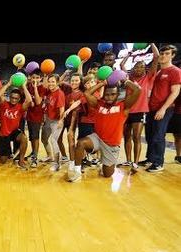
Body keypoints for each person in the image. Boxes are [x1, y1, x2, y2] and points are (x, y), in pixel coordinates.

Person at [68, 78, 141, 182]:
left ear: (117, 94)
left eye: (113, 94)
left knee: (107, 174)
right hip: (97, 138)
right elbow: (87, 93)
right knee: (80, 143)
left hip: (111, 145)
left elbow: (137, 90)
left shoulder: (123, 106)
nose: (109, 97)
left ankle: (105, 163)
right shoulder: (99, 104)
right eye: (107, 94)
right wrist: (102, 83)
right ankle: (77, 172)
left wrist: (126, 81)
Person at [118, 43, 159, 172]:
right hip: (127, 110)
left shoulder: (148, 77)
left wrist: (152, 43)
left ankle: (135, 162)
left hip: (140, 111)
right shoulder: (129, 77)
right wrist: (129, 54)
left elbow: (156, 56)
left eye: (141, 67)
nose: (138, 68)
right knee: (127, 136)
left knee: (136, 136)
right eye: (136, 66)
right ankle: (128, 160)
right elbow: (121, 65)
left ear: (145, 69)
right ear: (133, 68)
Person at [141, 44, 181, 172]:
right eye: (162, 54)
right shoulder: (159, 72)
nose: (163, 56)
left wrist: (163, 109)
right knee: (150, 135)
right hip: (152, 108)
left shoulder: (175, 71)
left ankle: (158, 163)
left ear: (173, 56)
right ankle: (151, 158)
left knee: (158, 135)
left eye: (167, 54)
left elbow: (175, 92)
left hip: (164, 108)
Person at [0, 76, 33, 169]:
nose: (13, 100)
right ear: (10, 97)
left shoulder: (20, 107)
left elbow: (29, 100)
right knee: (3, 161)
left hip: (14, 132)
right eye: (12, 97)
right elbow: (0, 94)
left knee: (24, 138)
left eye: (16, 98)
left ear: (19, 99)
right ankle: (8, 154)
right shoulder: (4, 104)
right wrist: (9, 83)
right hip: (4, 134)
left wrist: (24, 86)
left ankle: (21, 161)